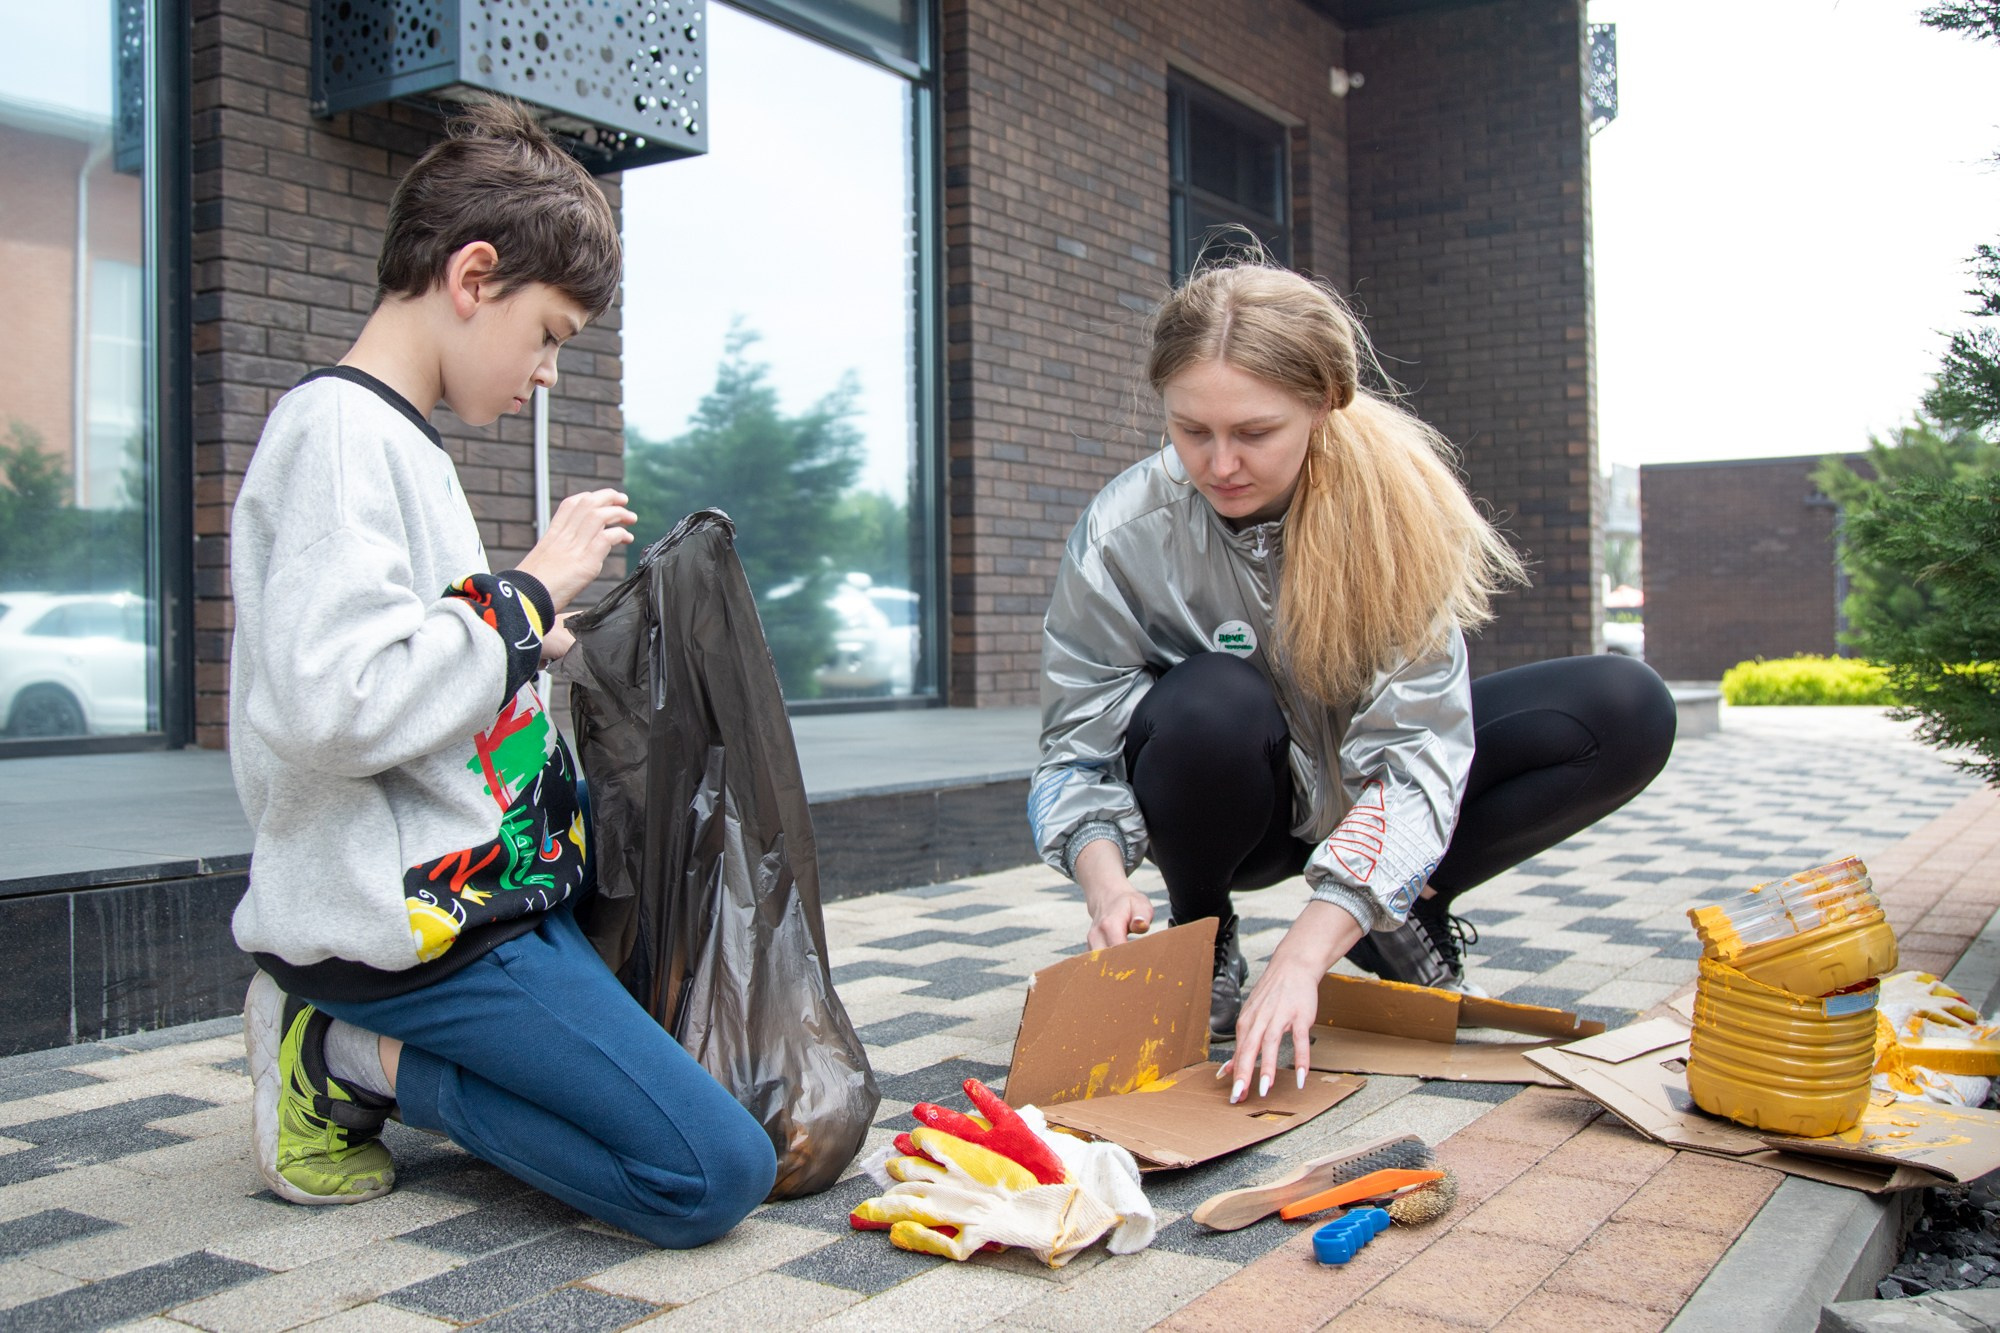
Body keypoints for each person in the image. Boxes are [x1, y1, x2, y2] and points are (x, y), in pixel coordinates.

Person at [228, 99, 777, 1244]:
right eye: (550, 335)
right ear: (473, 277)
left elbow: (412, 650)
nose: (545, 375)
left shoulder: (394, 441)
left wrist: (523, 639)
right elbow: (337, 704)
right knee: (711, 1172)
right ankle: (340, 1053)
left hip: (491, 898)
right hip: (421, 930)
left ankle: (368, 1039)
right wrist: (522, 597)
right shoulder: (336, 435)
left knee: (685, 1059)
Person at [1029, 259, 1676, 1105]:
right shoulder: (1123, 533)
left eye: (1254, 433)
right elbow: (1073, 753)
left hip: (1368, 791)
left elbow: (1417, 756)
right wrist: (1106, 881)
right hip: (1243, 811)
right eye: (1192, 431)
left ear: (1324, 402)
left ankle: (1390, 908)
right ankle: (1206, 930)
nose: (1219, 463)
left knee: (1626, 706)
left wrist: (1303, 957)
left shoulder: (1396, 514)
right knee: (1210, 699)